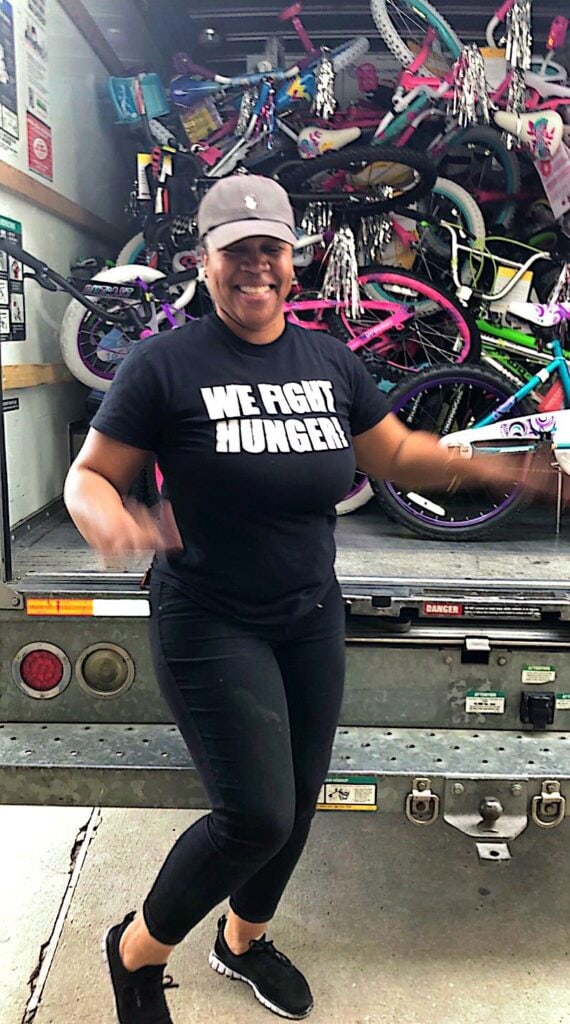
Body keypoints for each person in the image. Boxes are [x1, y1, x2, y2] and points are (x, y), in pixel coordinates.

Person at [64, 174, 550, 1024]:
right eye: (235, 252)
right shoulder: (166, 364)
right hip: (210, 614)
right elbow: (91, 477)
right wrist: (112, 523)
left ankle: (243, 942)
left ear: (294, 264)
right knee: (254, 813)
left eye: (270, 251)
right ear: (203, 262)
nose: (255, 267)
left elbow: (394, 455)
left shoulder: (330, 361)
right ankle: (137, 953)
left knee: (297, 803)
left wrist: (500, 470)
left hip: (308, 611)